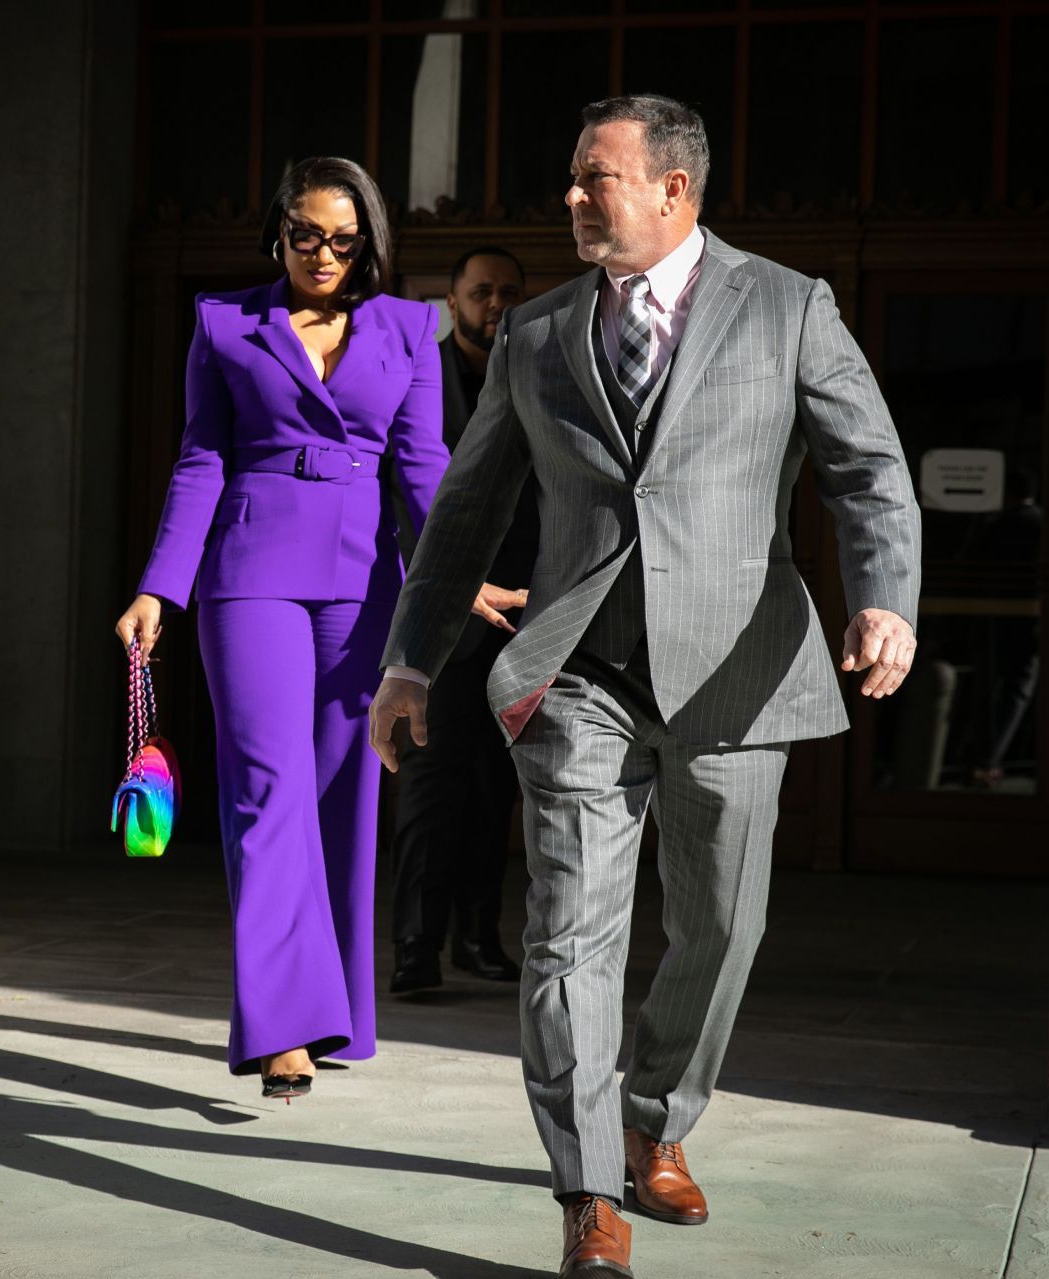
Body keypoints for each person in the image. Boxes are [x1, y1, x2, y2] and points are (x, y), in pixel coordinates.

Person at [370, 96, 921, 1278]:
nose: (571, 199)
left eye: (595, 178)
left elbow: (869, 466)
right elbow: (465, 513)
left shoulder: (786, 307)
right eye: (571, 179)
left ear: (676, 189)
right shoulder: (534, 333)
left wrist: (886, 598)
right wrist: (413, 660)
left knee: (723, 924)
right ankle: (585, 1193)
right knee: (569, 936)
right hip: (580, 672)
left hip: (734, 673)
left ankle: (657, 1119)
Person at [113, 157, 454, 1101]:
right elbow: (200, 460)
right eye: (306, 234)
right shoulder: (225, 323)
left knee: (342, 795)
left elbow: (424, 467)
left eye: (344, 240)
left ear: (370, 244)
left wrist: (459, 572)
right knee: (268, 792)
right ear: (278, 232)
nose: (323, 254)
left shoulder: (411, 328)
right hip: (250, 574)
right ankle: (282, 1027)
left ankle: (336, 1007)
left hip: (362, 585)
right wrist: (159, 589)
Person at [388, 245, 534, 994]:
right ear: (453, 303)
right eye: (482, 292)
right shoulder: (421, 377)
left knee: (494, 787)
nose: (496, 303)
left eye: (510, 291)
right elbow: (403, 497)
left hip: (519, 615)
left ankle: (479, 937)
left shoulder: (539, 374)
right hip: (441, 618)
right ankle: (416, 943)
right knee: (430, 785)